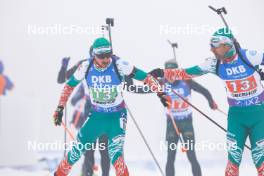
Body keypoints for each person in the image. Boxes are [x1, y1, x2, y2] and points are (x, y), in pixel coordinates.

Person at [151, 28, 264, 176]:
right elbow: (186, 72)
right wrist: (162, 72)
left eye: (215, 45)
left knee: (260, 161)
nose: (211, 49)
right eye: (210, 45)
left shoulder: (249, 56)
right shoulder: (214, 64)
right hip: (236, 116)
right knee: (232, 164)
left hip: (258, 115)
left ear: (227, 45)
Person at [52, 37, 163, 176]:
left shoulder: (119, 64)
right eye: (100, 56)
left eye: (108, 55)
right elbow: (66, 83)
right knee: (80, 150)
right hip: (93, 113)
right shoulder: (84, 66)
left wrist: (157, 89)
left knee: (112, 154)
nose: (105, 59)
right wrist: (60, 108)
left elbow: (138, 83)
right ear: (93, 55)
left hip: (115, 116)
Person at [152, 59, 217, 176]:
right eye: (168, 72)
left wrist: (211, 102)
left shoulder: (186, 81)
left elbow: (204, 91)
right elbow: (142, 88)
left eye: (173, 72)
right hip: (172, 123)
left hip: (186, 122)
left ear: (177, 72)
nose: (171, 75)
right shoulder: (161, 83)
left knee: (191, 155)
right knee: (170, 156)